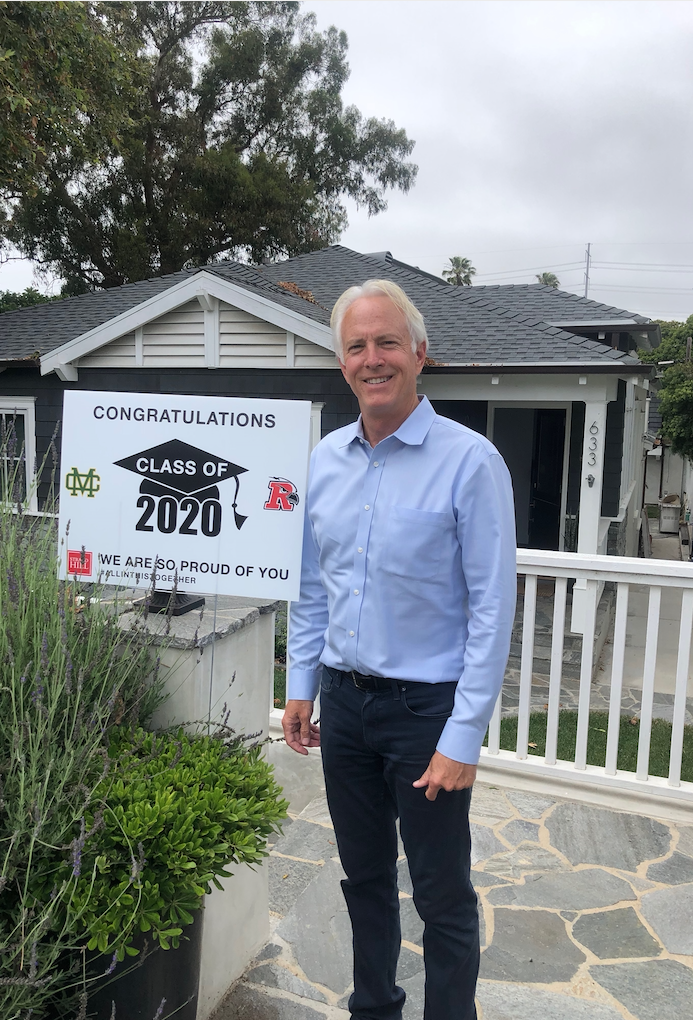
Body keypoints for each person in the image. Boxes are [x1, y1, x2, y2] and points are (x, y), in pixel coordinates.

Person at [282, 280, 517, 1020]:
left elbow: (492, 610)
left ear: (419, 353)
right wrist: (300, 684)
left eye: (387, 342)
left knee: (442, 896)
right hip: (345, 709)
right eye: (357, 346)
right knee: (364, 880)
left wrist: (463, 736)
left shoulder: (471, 462)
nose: (372, 358)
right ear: (341, 363)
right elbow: (312, 584)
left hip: (426, 715)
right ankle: (374, 1007)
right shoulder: (325, 459)